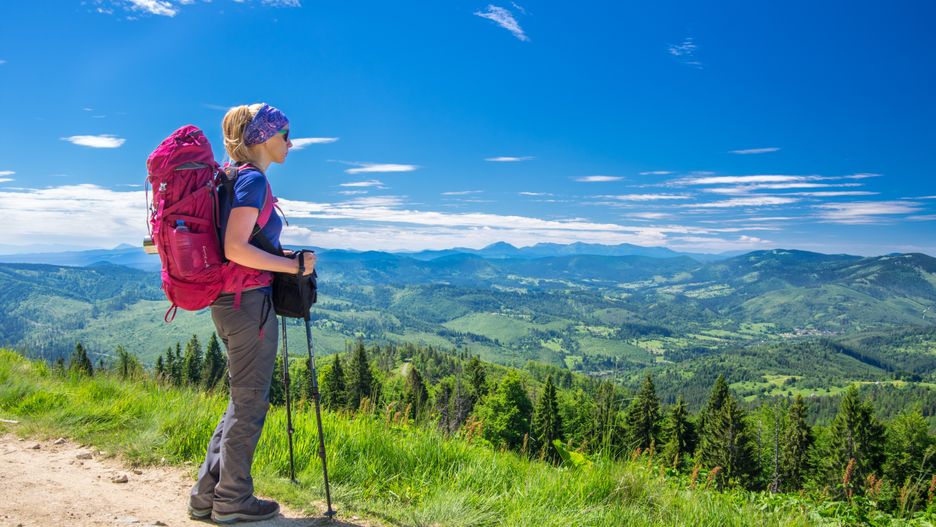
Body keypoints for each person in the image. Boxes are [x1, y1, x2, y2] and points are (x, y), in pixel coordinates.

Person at [188, 103, 316, 523]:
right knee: (250, 404)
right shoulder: (253, 180)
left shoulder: (230, 177)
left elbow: (239, 243)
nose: (290, 143)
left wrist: (282, 258)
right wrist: (294, 267)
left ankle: (207, 495)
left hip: (228, 302)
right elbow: (236, 248)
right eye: (284, 134)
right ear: (262, 137)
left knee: (239, 399)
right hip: (248, 305)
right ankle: (233, 499)